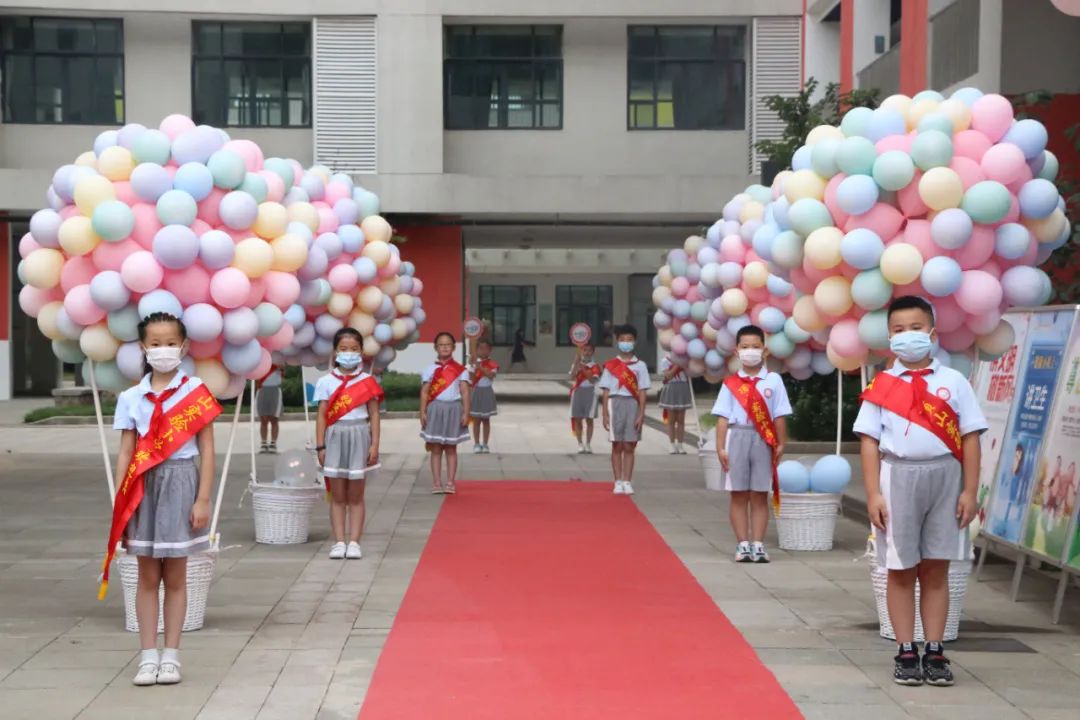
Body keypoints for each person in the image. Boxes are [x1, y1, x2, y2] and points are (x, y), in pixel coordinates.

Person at [854, 295, 987, 688]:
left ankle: (934, 648)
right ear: (888, 338)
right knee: (899, 567)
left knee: (936, 567)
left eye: (915, 329)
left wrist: (970, 490)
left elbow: (971, 438)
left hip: (946, 477)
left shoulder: (954, 382)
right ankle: (905, 649)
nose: (908, 336)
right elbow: (868, 443)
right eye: (898, 331)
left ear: (932, 332)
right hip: (897, 477)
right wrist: (873, 495)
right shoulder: (883, 384)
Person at [105, 312, 221, 687]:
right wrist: (121, 498)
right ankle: (146, 656)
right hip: (143, 485)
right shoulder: (130, 397)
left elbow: (206, 449)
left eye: (170, 342)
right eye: (155, 344)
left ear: (184, 346)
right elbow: (126, 451)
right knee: (145, 576)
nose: (163, 350)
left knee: (175, 576)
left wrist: (203, 498)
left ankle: (171, 656)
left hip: (182, 482)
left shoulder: (195, 392)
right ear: (143, 347)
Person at [712, 325, 791, 564]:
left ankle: (758, 544)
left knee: (759, 494)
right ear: (736, 351)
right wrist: (720, 447)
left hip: (763, 439)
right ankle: (742, 544)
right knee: (738, 494)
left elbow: (780, 415)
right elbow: (722, 418)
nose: (750, 351)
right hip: (737, 437)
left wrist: (780, 443)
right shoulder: (731, 384)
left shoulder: (774, 380)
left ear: (764, 351)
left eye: (755, 347)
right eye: (745, 347)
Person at [314, 328, 383, 560]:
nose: (349, 354)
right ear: (335, 352)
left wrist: (374, 445)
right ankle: (338, 542)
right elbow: (322, 415)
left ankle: (354, 542)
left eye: (354, 349)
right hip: (334, 437)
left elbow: (374, 415)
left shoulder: (367, 382)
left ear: (362, 352)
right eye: (344, 349)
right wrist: (320, 445)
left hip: (359, 435)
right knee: (337, 496)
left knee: (356, 495)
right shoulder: (325, 381)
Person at [599, 325, 650, 495]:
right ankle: (618, 481)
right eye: (622, 340)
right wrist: (605, 413)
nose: (626, 343)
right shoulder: (611, 365)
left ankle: (627, 481)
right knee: (617, 445)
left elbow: (642, 391)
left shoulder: (641, 365)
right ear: (617, 342)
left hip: (632, 405)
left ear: (634, 342)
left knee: (630, 445)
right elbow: (605, 390)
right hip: (615, 404)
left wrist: (641, 413)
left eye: (629, 340)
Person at [420, 332, 471, 494]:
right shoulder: (429, 369)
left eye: (448, 344)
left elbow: (465, 392)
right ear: (435, 348)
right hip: (435, 408)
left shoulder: (461, 370)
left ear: (454, 348)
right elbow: (424, 392)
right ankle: (436, 482)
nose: (444, 347)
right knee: (435, 448)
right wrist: (422, 411)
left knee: (451, 448)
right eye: (441, 345)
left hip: (454, 409)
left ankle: (450, 482)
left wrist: (466, 413)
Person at [569, 342, 601, 454]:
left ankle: (588, 444)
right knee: (577, 419)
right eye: (584, 350)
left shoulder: (595, 366)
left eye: (589, 350)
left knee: (589, 419)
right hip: (577, 392)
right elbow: (572, 377)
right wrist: (576, 364)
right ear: (581, 352)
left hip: (590, 393)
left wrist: (583, 368)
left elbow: (592, 380)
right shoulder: (577, 364)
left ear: (593, 352)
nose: (587, 352)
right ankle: (580, 444)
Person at [659, 353, 693, 455]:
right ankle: (672, 444)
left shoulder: (685, 359)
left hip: (683, 387)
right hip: (671, 387)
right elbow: (668, 375)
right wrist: (678, 365)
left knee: (681, 420)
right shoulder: (665, 360)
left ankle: (680, 445)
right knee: (671, 420)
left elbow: (690, 373)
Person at [469, 339, 499, 453]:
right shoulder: (474, 363)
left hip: (487, 392)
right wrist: (472, 366)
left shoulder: (492, 364)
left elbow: (490, 375)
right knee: (476, 420)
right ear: (476, 350)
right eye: (480, 348)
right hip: (477, 392)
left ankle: (485, 444)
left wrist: (479, 366)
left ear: (490, 350)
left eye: (486, 348)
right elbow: (471, 379)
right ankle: (476, 444)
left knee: (486, 420)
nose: (483, 351)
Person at [256, 361, 284, 453]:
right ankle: (263, 443)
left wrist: (272, 362)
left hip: (275, 390)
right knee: (263, 418)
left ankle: (273, 443)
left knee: (274, 419)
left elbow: (282, 365)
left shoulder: (279, 356)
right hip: (262, 389)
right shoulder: (260, 357)